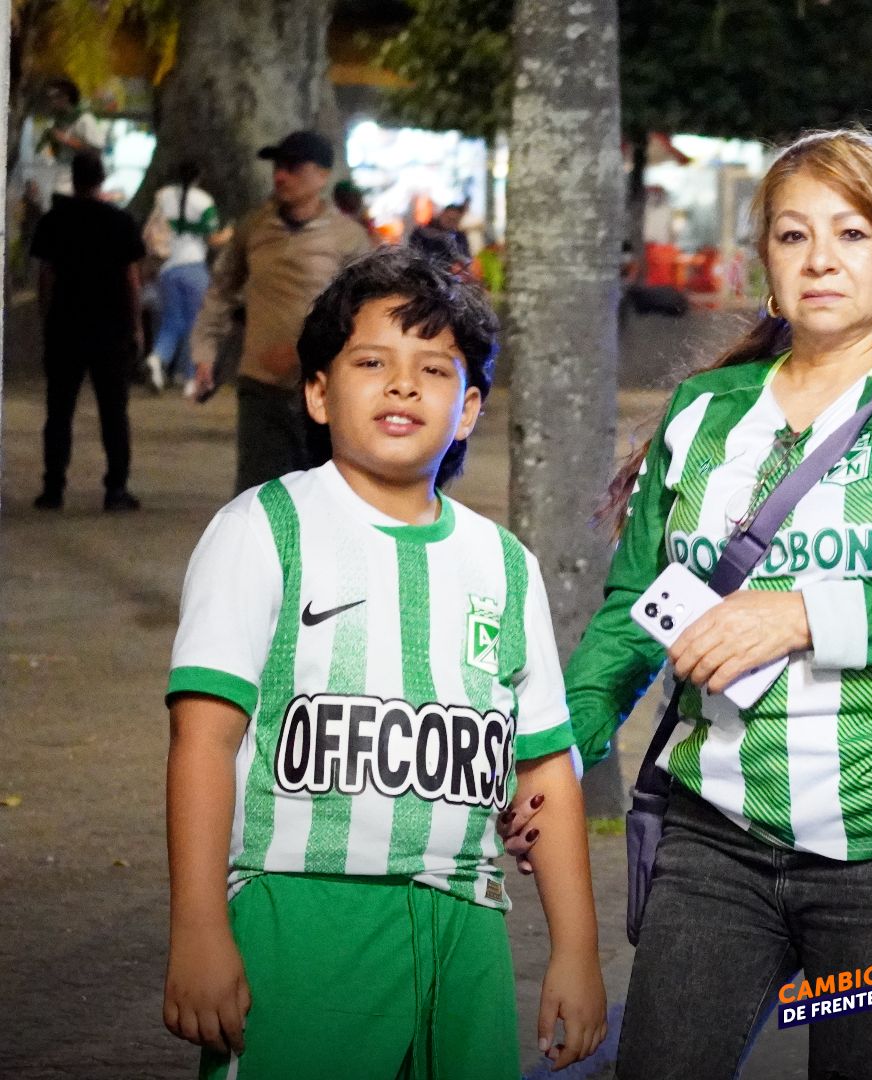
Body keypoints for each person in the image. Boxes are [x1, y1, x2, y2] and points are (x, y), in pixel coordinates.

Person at [561, 129, 872, 1080]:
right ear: (768, 264)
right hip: (713, 834)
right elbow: (635, 606)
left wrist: (796, 615)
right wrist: (559, 748)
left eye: (852, 233)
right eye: (794, 236)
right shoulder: (705, 411)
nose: (821, 258)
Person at [161, 247, 606, 1076]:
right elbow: (203, 741)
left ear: (468, 409)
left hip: (466, 924)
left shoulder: (505, 565)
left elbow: (544, 765)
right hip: (302, 911)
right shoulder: (264, 528)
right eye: (372, 362)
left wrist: (576, 952)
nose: (403, 385)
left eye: (433, 370)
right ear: (318, 393)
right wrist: (197, 927)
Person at [190, 131, 373, 493]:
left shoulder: (348, 237)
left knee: (324, 495)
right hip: (261, 387)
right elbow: (222, 290)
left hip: (324, 390)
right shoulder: (254, 227)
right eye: (278, 167)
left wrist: (314, 354)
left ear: (322, 175)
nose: (280, 176)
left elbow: (366, 313)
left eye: (293, 167)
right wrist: (204, 353)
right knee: (259, 496)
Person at [30, 151, 145, 512]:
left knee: (59, 411)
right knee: (114, 411)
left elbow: (46, 276)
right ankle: (116, 488)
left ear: (74, 178)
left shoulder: (54, 220)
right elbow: (131, 279)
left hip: (65, 326)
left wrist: (46, 317)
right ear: (102, 178)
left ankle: (53, 488)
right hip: (111, 329)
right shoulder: (120, 221)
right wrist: (136, 326)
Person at [143, 161, 220, 393]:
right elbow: (212, 234)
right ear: (199, 177)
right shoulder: (203, 201)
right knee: (195, 324)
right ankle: (189, 378)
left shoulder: (164, 195)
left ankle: (157, 358)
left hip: (168, 268)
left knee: (171, 322)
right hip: (194, 267)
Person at [33, 79, 106, 201]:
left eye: (54, 97)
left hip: (75, 178)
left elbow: (96, 149)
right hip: (56, 172)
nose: (51, 101)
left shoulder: (85, 119)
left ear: (65, 97)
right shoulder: (57, 119)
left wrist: (66, 139)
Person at [410, 200, 474, 272]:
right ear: (442, 214)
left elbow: (465, 259)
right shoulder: (421, 233)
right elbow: (412, 254)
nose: (449, 221)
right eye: (448, 218)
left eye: (454, 220)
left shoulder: (460, 238)